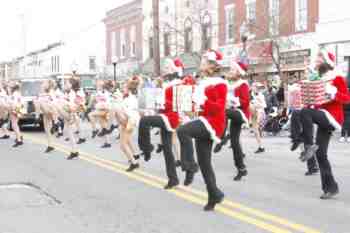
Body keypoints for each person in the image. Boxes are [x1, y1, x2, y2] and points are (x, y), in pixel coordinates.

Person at [293, 50, 350, 199]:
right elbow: (317, 101)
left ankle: (308, 145)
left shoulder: (337, 78)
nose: (316, 61)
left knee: (304, 112)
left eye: (319, 59)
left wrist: (334, 94)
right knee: (321, 154)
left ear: (327, 62)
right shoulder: (318, 78)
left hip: (333, 118)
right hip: (322, 117)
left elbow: (347, 98)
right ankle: (331, 188)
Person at [177, 50, 227, 211]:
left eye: (204, 61)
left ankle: (190, 166)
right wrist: (187, 104)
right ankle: (214, 195)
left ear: (212, 65)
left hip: (214, 122)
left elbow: (219, 109)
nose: (201, 62)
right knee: (205, 163)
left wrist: (203, 101)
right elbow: (196, 109)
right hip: (205, 120)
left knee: (182, 131)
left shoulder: (220, 83)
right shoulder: (203, 82)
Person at [138, 58, 184, 189]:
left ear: (175, 69)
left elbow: (182, 105)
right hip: (165, 115)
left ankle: (147, 148)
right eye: (164, 66)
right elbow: (160, 104)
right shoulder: (165, 84)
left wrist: (162, 103)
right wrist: (153, 104)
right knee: (167, 149)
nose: (165, 69)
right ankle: (173, 179)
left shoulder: (180, 84)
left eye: (168, 67)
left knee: (144, 122)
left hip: (172, 117)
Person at [214, 57, 250, 181]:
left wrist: (233, 102)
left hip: (241, 113)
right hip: (232, 113)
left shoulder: (243, 84)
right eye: (230, 69)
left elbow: (245, 102)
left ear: (239, 72)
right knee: (235, 143)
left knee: (223, 112)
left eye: (232, 69)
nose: (230, 71)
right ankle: (241, 168)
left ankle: (222, 137)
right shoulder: (229, 84)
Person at [114, 76, 142, 172]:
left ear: (129, 89)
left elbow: (130, 113)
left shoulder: (132, 99)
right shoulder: (127, 98)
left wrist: (119, 103)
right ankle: (134, 159)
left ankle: (134, 163)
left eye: (124, 88)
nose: (122, 89)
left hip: (130, 121)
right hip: (126, 121)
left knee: (123, 144)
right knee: (123, 144)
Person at [251, 82, 267, 154]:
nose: (258, 89)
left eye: (258, 88)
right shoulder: (251, 94)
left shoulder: (261, 96)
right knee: (255, 132)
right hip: (253, 113)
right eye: (256, 87)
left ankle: (259, 127)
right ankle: (261, 147)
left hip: (259, 112)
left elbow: (263, 106)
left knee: (256, 129)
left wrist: (256, 104)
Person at [9, 82, 24, 147]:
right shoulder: (18, 93)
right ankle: (19, 137)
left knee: (14, 125)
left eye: (11, 86)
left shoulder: (14, 94)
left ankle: (19, 140)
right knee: (15, 124)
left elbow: (14, 103)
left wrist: (13, 110)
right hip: (19, 109)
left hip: (16, 109)